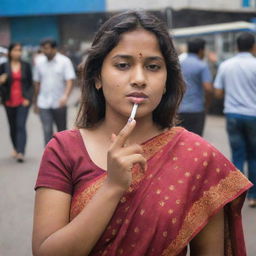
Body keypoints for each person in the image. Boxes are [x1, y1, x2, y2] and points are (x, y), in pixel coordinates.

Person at [32, 11, 252, 256]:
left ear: (167, 80)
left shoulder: (199, 157)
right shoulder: (63, 150)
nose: (139, 79)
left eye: (153, 67)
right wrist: (112, 188)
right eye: (123, 65)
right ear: (97, 77)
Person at [214, 32, 256, 208]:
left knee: (237, 154)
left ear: (236, 46)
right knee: (253, 156)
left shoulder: (226, 65)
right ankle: (253, 196)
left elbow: (217, 92)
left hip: (232, 114)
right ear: (253, 46)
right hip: (253, 115)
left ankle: (235, 196)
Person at [33, 39, 76, 146]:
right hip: (43, 102)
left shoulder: (65, 61)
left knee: (62, 132)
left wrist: (65, 96)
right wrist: (36, 102)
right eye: (43, 48)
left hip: (59, 102)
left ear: (54, 48)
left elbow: (70, 81)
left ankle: (63, 156)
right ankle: (49, 158)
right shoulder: (39, 62)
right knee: (47, 130)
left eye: (47, 48)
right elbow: (37, 83)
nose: (45, 51)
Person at [0, 43, 33, 162]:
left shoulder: (26, 65)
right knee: (12, 126)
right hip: (8, 101)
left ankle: (21, 152)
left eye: (19, 50)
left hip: (22, 101)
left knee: (20, 125)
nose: (17, 52)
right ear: (10, 52)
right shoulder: (4, 66)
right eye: (15, 50)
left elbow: (30, 84)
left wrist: (28, 98)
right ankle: (15, 147)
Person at [178, 38, 213, 136]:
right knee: (195, 142)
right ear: (201, 50)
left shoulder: (178, 64)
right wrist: (207, 104)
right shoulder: (202, 65)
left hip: (178, 110)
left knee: (179, 141)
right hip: (196, 110)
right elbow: (208, 88)